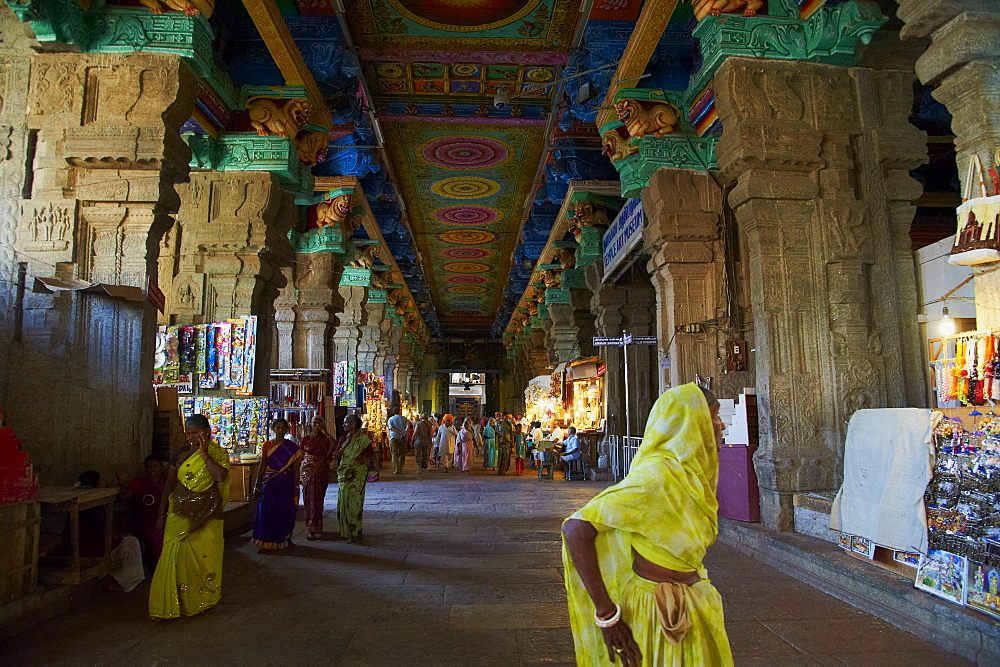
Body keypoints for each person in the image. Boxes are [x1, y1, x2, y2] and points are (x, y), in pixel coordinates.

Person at [560, 384, 732, 666]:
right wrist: (606, 615)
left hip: (693, 603)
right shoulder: (657, 476)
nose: (721, 425)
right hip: (653, 611)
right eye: (714, 415)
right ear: (692, 423)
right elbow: (575, 529)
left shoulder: (692, 474)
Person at [149, 413, 230, 620]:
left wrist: (204, 453)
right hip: (179, 512)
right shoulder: (180, 454)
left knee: (204, 561)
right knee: (172, 556)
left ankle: (202, 602)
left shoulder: (218, 454)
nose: (190, 437)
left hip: (208, 514)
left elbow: (220, 476)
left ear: (207, 432)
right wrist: (161, 512)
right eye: (188, 433)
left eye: (194, 433)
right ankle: (169, 606)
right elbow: (170, 484)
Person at [253, 418, 302, 553]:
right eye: (278, 428)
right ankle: (264, 543)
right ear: (273, 429)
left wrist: (296, 487)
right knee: (265, 513)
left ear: (287, 429)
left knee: (282, 513)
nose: (280, 430)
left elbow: (296, 469)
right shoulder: (267, 445)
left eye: (283, 428)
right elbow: (262, 466)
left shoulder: (292, 448)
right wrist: (257, 484)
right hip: (269, 484)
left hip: (285, 485)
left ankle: (280, 540)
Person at [119, 455, 167, 565]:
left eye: (155, 466)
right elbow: (125, 496)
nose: (153, 469)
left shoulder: (166, 483)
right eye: (149, 467)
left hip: (163, 521)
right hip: (143, 523)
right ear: (145, 469)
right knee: (156, 538)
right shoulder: (139, 483)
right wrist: (123, 485)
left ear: (161, 467)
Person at [331, 414, 372, 543]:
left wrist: (374, 470)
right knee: (344, 503)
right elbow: (336, 455)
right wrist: (347, 443)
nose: (343, 425)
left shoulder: (364, 440)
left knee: (356, 504)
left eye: (345, 422)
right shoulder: (343, 438)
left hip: (358, 475)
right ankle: (348, 532)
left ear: (353, 424)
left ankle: (356, 531)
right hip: (344, 476)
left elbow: (371, 456)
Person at [299, 416, 334, 540]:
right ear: (311, 424)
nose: (318, 426)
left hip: (320, 472)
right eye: (316, 423)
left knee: (317, 500)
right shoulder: (306, 439)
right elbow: (300, 454)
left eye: (320, 423)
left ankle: (317, 527)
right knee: (308, 500)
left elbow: (334, 446)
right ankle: (310, 528)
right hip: (307, 473)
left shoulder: (326, 439)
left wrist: (326, 433)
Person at [387, 408, 410, 475]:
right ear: (400, 412)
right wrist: (404, 433)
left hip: (394, 438)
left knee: (394, 454)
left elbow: (391, 428)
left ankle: (396, 469)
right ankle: (400, 467)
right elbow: (408, 427)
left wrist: (398, 432)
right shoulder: (405, 419)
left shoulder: (391, 419)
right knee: (402, 454)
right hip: (403, 438)